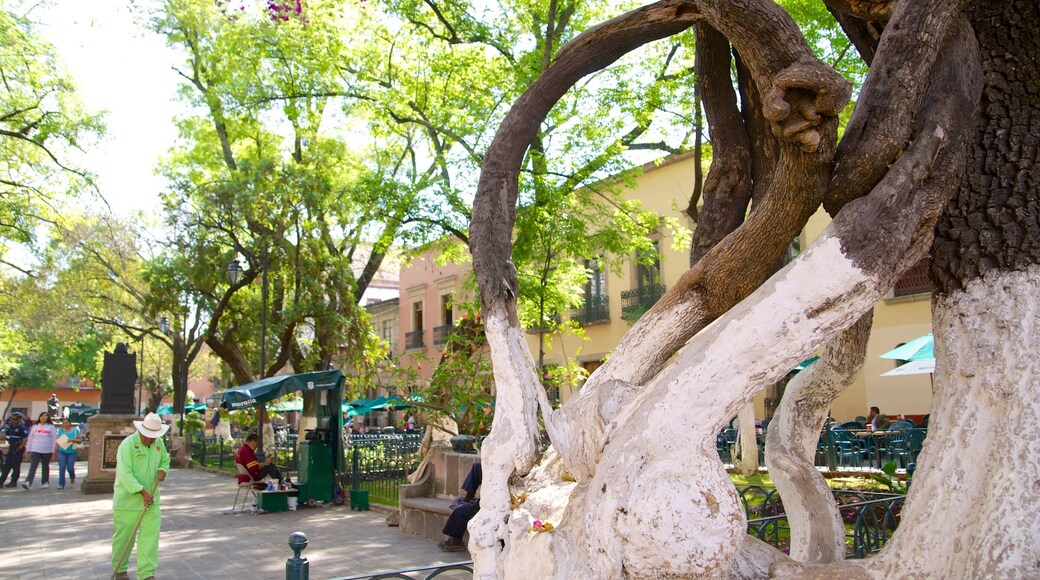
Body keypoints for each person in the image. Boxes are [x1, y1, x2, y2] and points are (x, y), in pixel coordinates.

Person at [112, 412, 170, 580]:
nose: (151, 440)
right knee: (123, 538)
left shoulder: (158, 444)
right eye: (148, 436)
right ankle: (120, 569)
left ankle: (146, 573)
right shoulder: (127, 445)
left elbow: (165, 460)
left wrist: (163, 470)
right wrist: (141, 491)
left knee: (150, 538)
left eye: (154, 436)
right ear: (141, 431)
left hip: (151, 501)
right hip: (127, 502)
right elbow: (125, 473)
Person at [439, 461, 482, 552]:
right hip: (481, 499)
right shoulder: (480, 467)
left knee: (461, 509)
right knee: (459, 500)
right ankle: (467, 500)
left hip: (494, 503)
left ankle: (456, 542)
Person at [22, 412, 58, 490]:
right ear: (39, 417)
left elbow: (54, 440)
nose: (43, 417)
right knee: (33, 466)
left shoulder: (51, 427)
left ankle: (45, 482)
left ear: (48, 418)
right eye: (42, 416)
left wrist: (53, 452)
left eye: (45, 416)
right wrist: (28, 449)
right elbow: (30, 438)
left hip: (47, 450)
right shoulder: (35, 427)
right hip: (35, 449)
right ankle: (28, 481)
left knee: (45, 466)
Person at [0, 412, 29, 487]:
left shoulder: (22, 428)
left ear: (19, 419)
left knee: (16, 466)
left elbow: (25, 439)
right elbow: (4, 435)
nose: (13, 420)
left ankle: (13, 482)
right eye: (12, 419)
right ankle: (1, 482)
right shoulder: (11, 427)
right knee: (6, 465)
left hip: (18, 448)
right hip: (11, 447)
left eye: (15, 419)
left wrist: (19, 448)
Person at [54, 418, 83, 490]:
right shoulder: (61, 432)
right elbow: (57, 443)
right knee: (62, 467)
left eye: (66, 422)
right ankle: (61, 483)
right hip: (61, 451)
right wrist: (54, 452)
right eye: (64, 423)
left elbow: (80, 441)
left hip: (71, 452)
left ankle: (72, 477)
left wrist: (73, 440)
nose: (65, 424)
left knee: (70, 467)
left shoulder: (75, 430)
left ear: (69, 423)